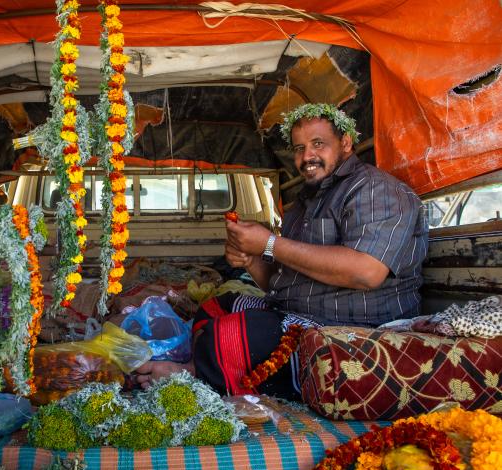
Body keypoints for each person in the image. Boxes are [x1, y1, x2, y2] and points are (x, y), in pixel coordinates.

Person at [135, 103, 429, 399]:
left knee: (230, 335)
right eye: (300, 149)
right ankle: (208, 365)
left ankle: (195, 372)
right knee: (216, 306)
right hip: (295, 310)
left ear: (346, 143)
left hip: (353, 327)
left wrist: (269, 244)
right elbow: (280, 283)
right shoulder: (304, 202)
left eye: (318, 144)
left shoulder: (374, 189)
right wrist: (250, 259)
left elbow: (367, 272)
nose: (307, 157)